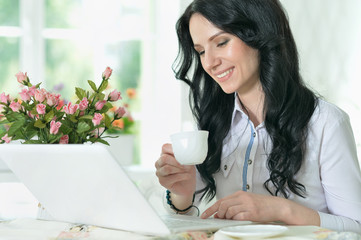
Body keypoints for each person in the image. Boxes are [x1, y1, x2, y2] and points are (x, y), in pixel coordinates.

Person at [154, 0, 361, 234]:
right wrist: (182, 192)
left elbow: (356, 228)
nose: (210, 63)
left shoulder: (326, 123)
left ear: (259, 33)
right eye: (201, 51)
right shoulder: (211, 122)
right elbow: (185, 220)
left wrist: (281, 209)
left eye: (221, 42)